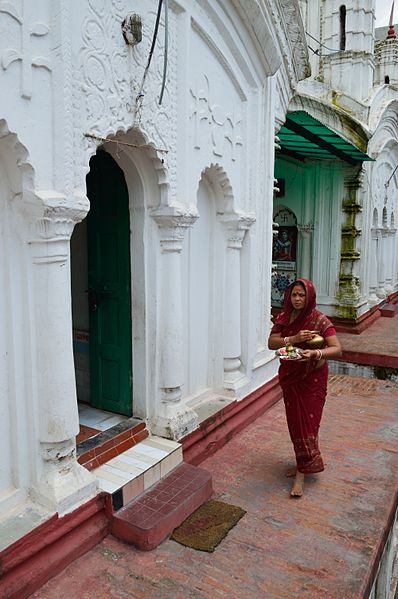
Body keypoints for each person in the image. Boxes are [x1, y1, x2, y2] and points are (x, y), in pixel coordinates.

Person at [268, 278, 342, 497]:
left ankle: (301, 474)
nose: (298, 299)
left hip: (312, 378)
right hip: (291, 376)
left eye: (302, 295)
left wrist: (316, 353)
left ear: (309, 297)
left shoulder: (319, 320)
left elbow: (337, 349)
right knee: (295, 423)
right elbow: (272, 342)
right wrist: (294, 338)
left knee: (308, 423)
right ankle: (302, 463)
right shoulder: (285, 316)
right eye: (294, 295)